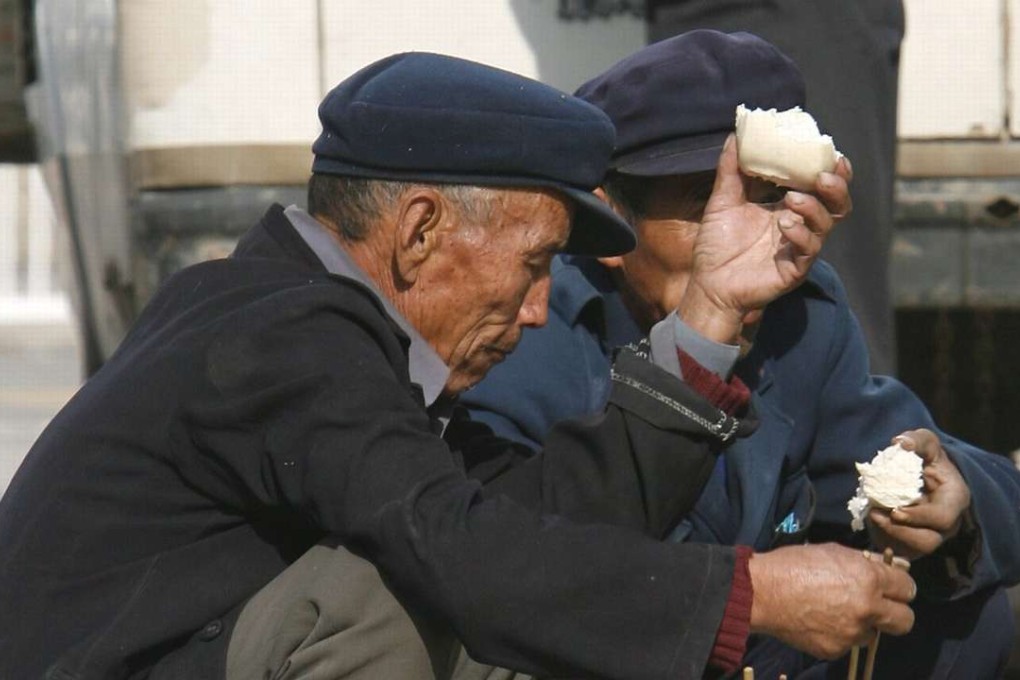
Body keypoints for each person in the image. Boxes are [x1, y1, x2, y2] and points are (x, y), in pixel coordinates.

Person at [0, 51, 914, 680]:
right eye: (529, 265)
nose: (534, 309)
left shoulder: (322, 337)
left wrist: (713, 308)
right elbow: (467, 557)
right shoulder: (281, 332)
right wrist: (748, 598)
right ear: (422, 231)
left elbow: (534, 523)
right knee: (397, 603)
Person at [462, 31, 1020, 678]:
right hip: (605, 651)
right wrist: (751, 595)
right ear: (608, 226)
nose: (748, 238)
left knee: (972, 619)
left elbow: (922, 460)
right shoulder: (530, 337)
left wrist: (948, 510)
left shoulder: (798, 314)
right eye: (706, 206)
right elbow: (514, 579)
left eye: (768, 198)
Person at [645, 0, 904, 376]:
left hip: (816, 22)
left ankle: (859, 422)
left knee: (819, 252)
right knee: (681, 255)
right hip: (702, 17)